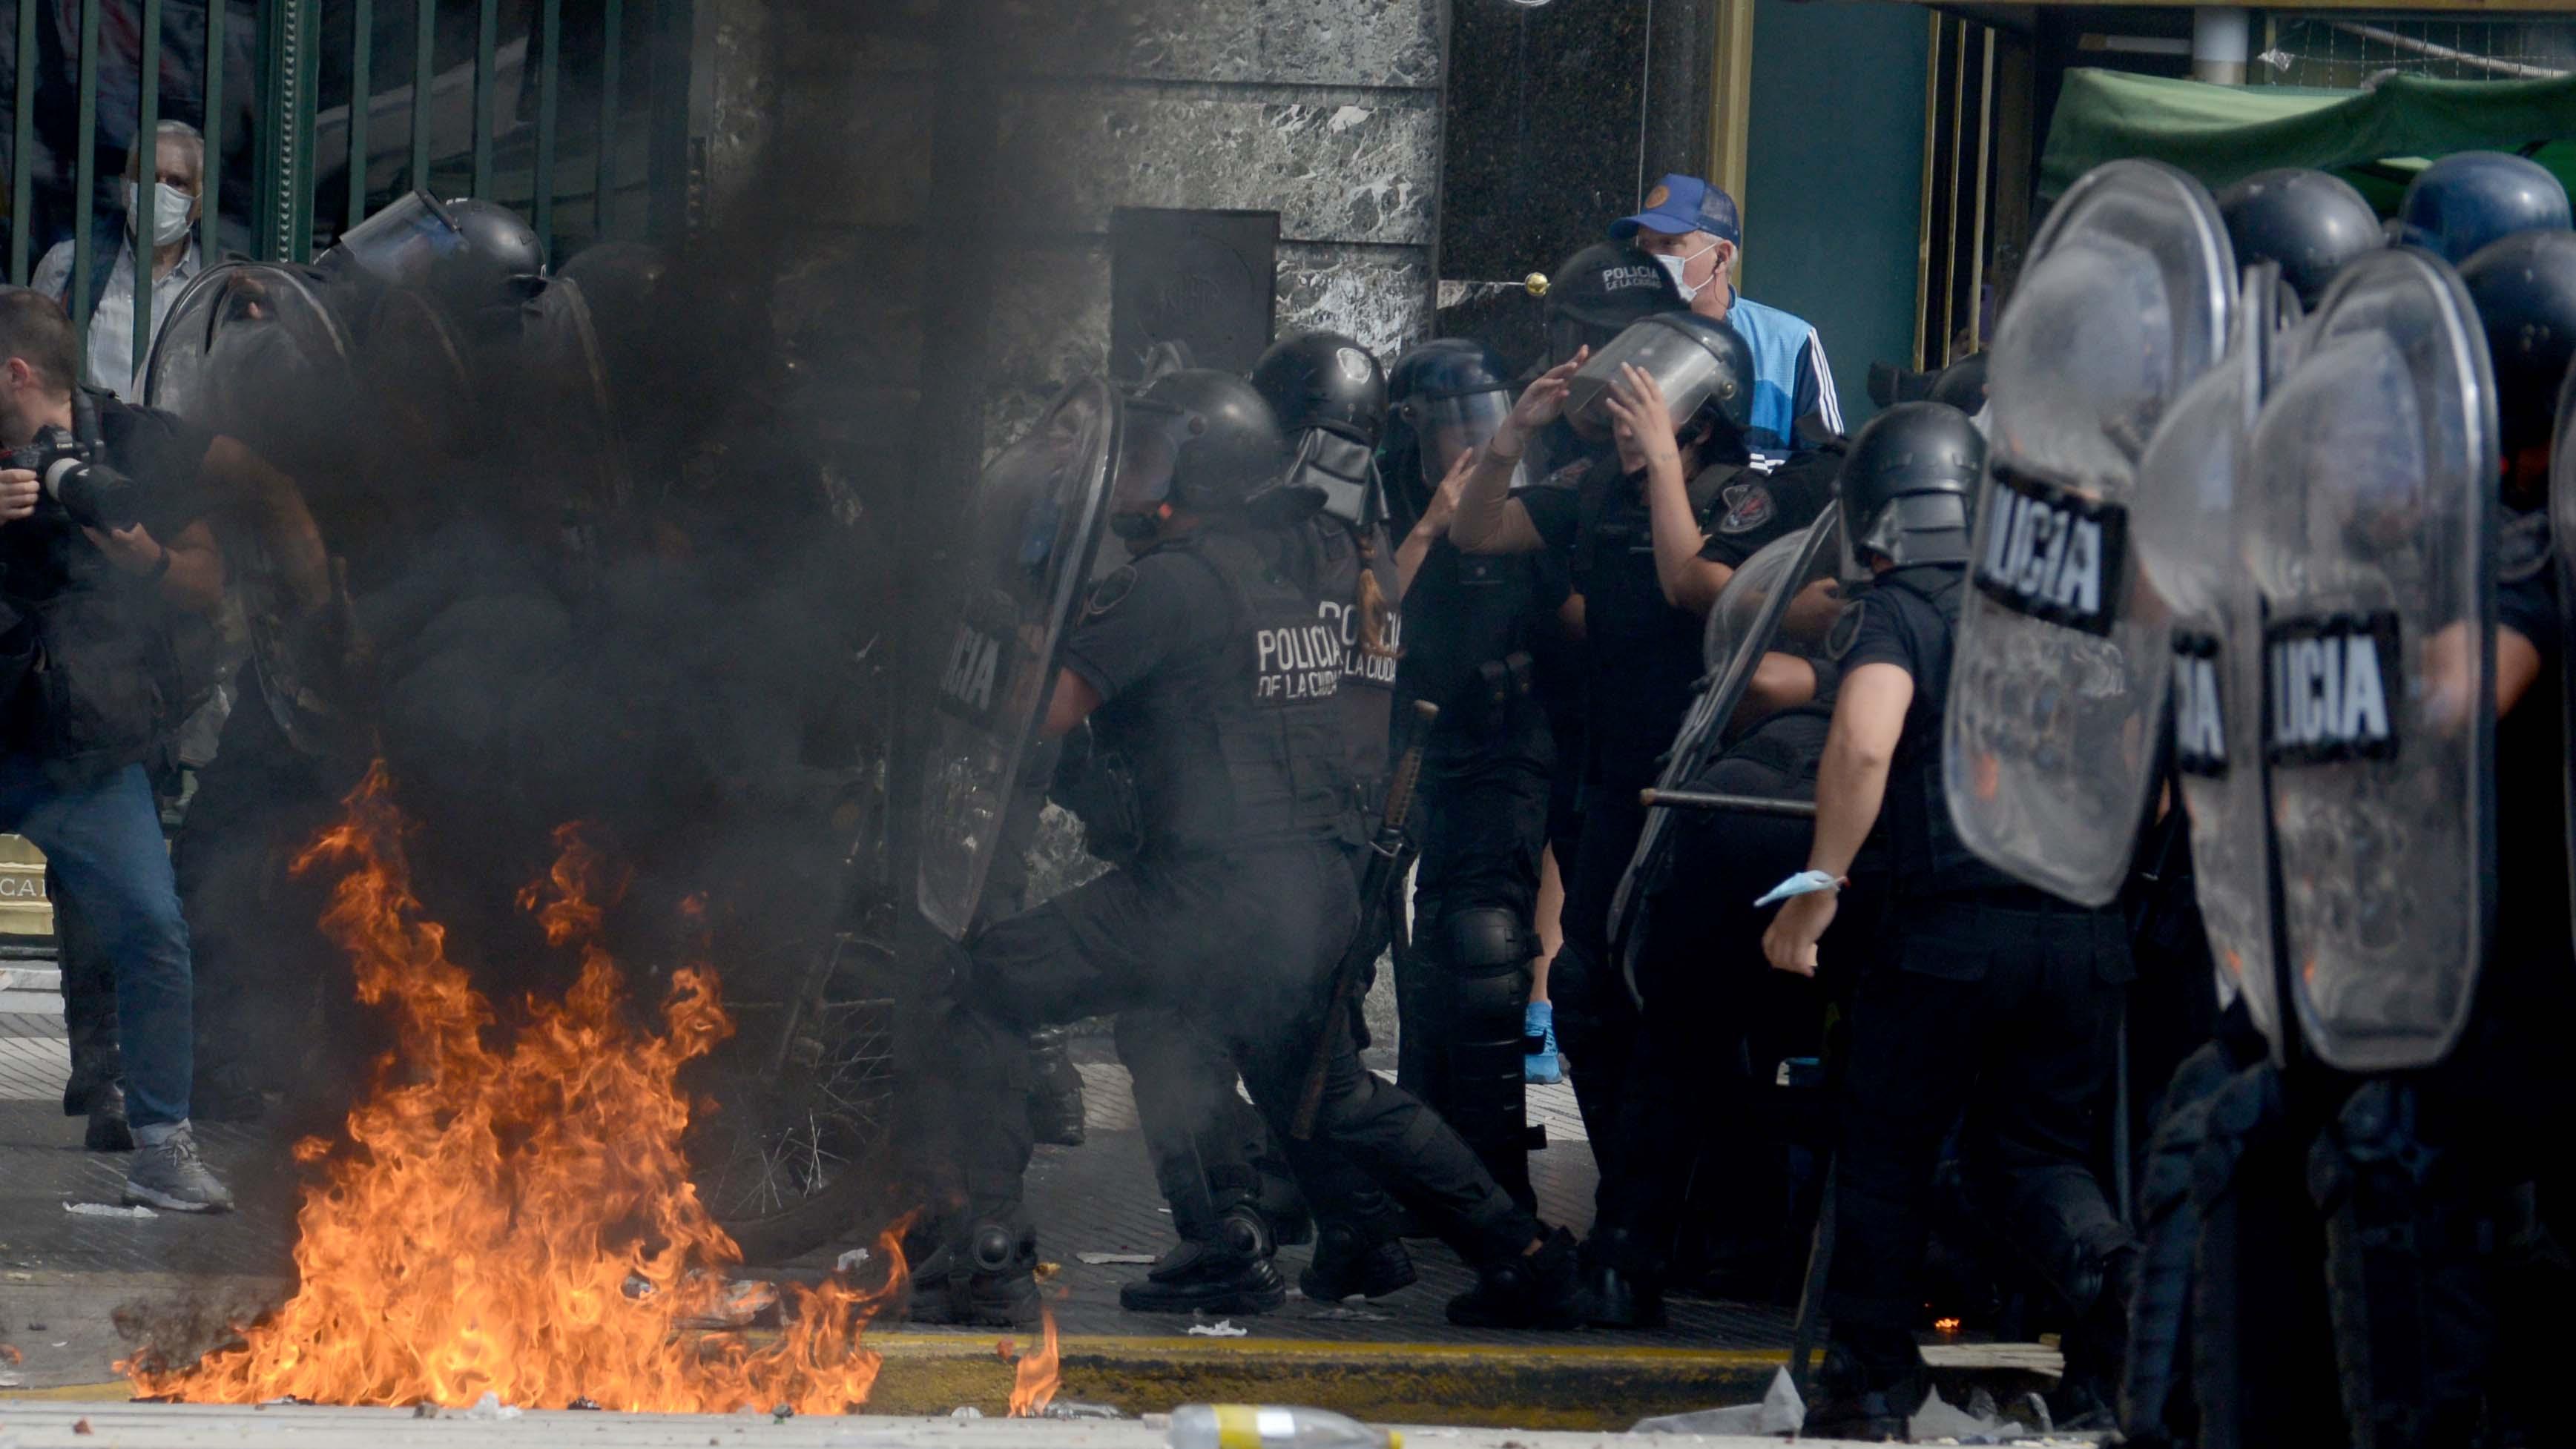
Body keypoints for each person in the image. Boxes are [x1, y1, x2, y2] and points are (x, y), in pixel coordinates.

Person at [912, 367, 1578, 1330]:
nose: (1131, 485)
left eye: (1149, 463)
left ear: (1202, 477)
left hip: (1208, 886)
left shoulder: (1172, 584)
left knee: (982, 983)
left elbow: (1045, 710)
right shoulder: (1306, 555)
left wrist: (985, 630)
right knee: (1316, 1082)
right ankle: (1515, 1253)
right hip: (1310, 883)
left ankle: (983, 1248)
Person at [1761, 402, 2132, 1439]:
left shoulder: (1906, 605)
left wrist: (1816, 890)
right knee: (2040, 1158)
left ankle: (1872, 1382)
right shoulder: (2071, 610)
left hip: (1945, 935)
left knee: (1886, 1144)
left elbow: (1865, 743)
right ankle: (2119, 1295)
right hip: (2081, 931)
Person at [1449, 315, 1816, 1187]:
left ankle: (1721, 1210)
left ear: (1694, 418)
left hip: (1702, 787)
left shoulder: (1742, 497)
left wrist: (1658, 468)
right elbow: (1479, 529)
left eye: (1640, 412)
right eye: (1615, 410)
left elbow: (1688, 583)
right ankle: (1631, 1193)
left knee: (1692, 1001)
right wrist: (1511, 436)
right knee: (1586, 992)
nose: (1620, 423)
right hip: (1613, 782)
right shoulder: (1593, 489)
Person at [0, 287, 233, 1210]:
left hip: (82, 748)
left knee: (153, 928)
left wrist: (148, 559)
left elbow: (210, 579)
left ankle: (163, 1146)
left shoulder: (137, 444)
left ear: (16, 372)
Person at [1378, 337, 1567, 1212]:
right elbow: (1371, 619)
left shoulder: (1532, 479)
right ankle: (1424, 1169)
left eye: (1478, 419)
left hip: (1508, 734)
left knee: (1483, 941)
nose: (1466, 439)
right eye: (1447, 422)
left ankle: (1496, 1183)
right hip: (1409, 737)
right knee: (1409, 952)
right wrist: (1427, 521)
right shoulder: (1382, 488)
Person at [1611, 174, 1840, 460]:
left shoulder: (1789, 342)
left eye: (1669, 244)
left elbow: (1826, 465)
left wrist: (1720, 471)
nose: (1653, 259)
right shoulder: (1620, 332)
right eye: (1645, 246)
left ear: (1720, 256)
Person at [30, 121, 207, 400]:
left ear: (198, 203)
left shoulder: (210, 282)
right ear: (126, 188)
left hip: (178, 443)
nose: (159, 191)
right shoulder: (68, 264)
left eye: (177, 182)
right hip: (92, 440)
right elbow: (31, 372)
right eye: (146, 176)